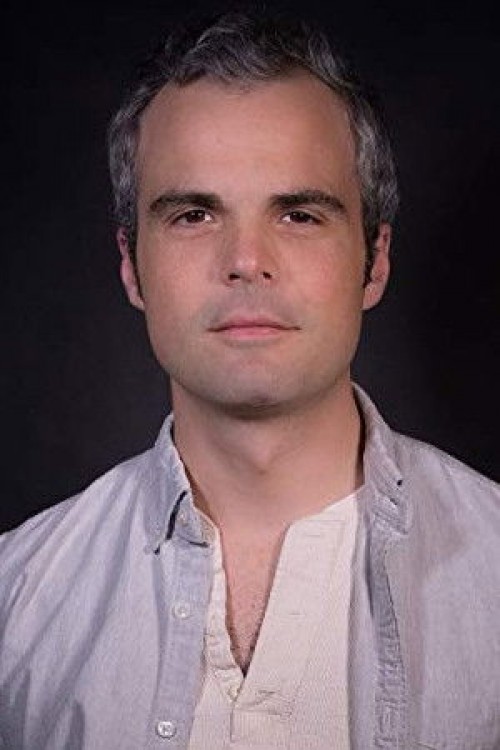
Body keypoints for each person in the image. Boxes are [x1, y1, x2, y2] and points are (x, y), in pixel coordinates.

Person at [1, 10, 499, 750]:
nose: (246, 261)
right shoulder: (15, 604)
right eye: (194, 215)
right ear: (132, 266)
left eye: (298, 215)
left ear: (375, 261)